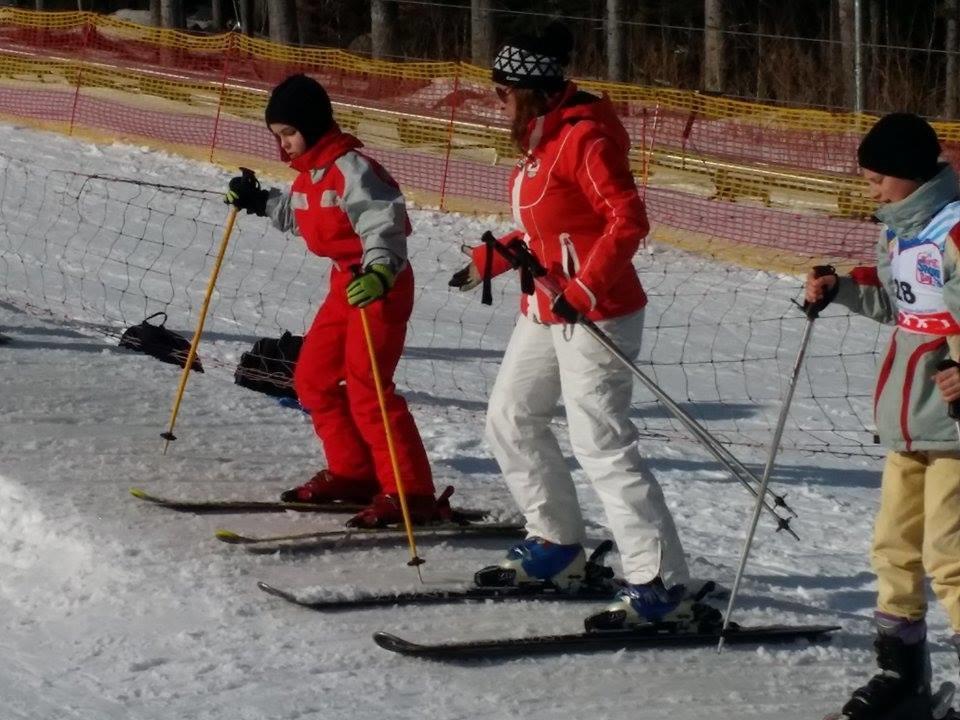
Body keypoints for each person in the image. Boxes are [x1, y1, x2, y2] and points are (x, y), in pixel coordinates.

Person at [449, 24, 690, 628]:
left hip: (596, 311)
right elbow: (547, 230)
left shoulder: (585, 139)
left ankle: (659, 581)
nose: (496, 101)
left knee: (601, 442)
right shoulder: (542, 138)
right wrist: (492, 259)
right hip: (545, 304)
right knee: (510, 416)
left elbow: (627, 221)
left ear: (531, 90)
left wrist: (585, 287)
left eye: (503, 91)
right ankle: (556, 543)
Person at [226, 73, 447, 528]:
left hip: (378, 284)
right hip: (343, 288)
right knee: (312, 380)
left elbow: (383, 221)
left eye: (289, 133)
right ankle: (352, 472)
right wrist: (257, 200)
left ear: (311, 124)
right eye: (277, 136)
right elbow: (298, 214)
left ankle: (409, 491)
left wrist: (382, 269)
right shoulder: (311, 176)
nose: (283, 144)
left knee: (368, 388)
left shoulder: (353, 170)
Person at [805, 112, 960, 720]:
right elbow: (900, 306)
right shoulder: (897, 231)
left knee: (950, 556)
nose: (868, 188)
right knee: (893, 548)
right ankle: (902, 675)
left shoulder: (953, 230)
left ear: (907, 175)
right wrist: (840, 288)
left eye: (876, 179)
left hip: (952, 424)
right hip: (908, 418)